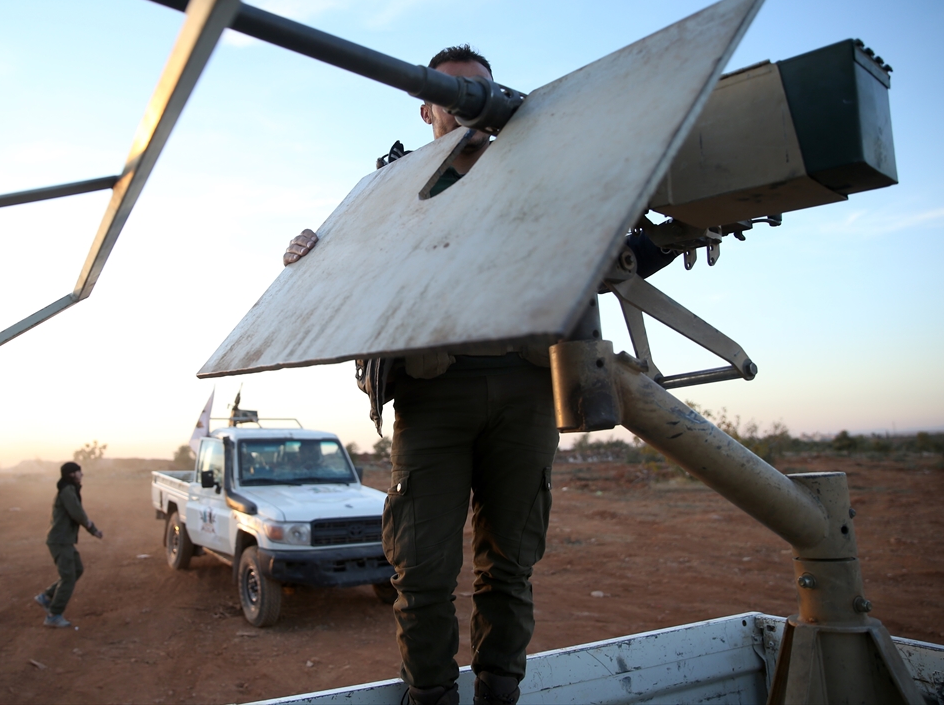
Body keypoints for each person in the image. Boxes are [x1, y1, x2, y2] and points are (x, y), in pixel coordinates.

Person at [283, 46, 675, 705]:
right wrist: (309, 250)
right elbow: (346, 264)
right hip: (433, 394)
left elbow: (604, 254)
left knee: (511, 562)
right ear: (427, 107)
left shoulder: (538, 179)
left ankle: (499, 690)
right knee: (423, 566)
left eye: (483, 92)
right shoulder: (397, 192)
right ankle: (430, 693)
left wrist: (669, 237)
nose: (472, 105)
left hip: (525, 388)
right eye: (454, 92)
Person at [35, 461, 103, 628]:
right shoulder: (67, 491)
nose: (82, 475)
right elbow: (77, 513)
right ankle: (53, 614)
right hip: (60, 541)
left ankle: (47, 596)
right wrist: (92, 529)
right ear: (72, 474)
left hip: (64, 540)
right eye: (79, 472)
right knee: (68, 578)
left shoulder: (69, 489)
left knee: (77, 569)